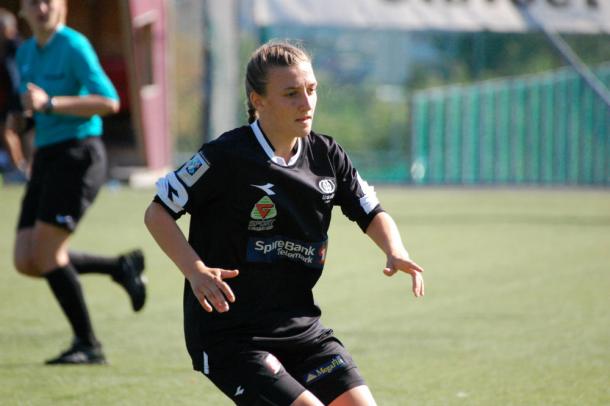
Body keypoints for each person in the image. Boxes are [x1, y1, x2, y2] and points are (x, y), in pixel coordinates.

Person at [145, 40, 424, 405]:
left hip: (301, 329)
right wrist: (195, 270)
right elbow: (158, 212)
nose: (306, 104)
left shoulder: (327, 155)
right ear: (258, 100)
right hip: (232, 335)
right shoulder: (226, 157)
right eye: (291, 93)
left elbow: (370, 210)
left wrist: (395, 249)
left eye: (311, 90)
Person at [3, 0, 147, 365]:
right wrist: (26, 125)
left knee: (47, 254)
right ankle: (119, 268)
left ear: (61, 7)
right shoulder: (25, 54)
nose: (40, 8)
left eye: (47, 1)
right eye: (32, 2)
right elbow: (32, 110)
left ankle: (88, 345)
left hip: (79, 155)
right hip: (48, 157)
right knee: (26, 259)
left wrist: (50, 103)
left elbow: (109, 102)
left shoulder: (74, 45)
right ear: (22, 10)